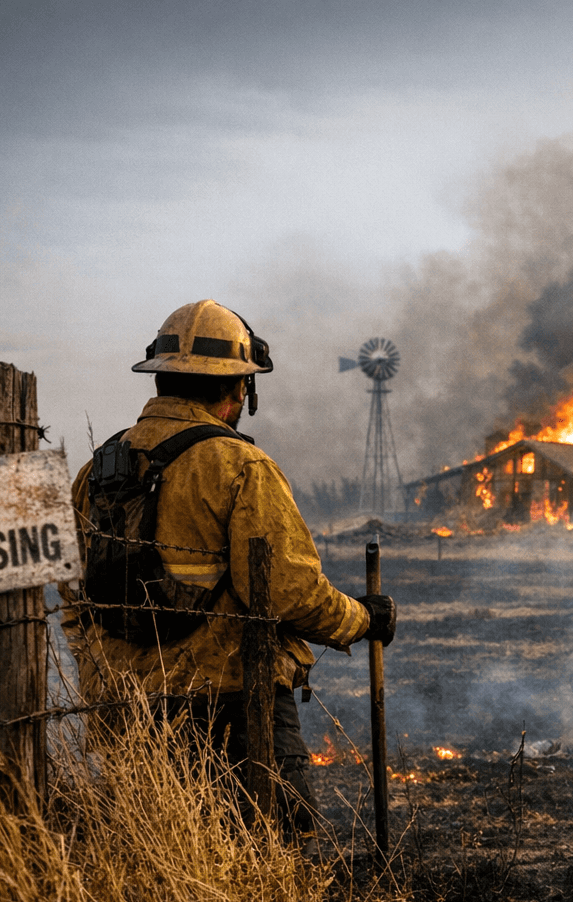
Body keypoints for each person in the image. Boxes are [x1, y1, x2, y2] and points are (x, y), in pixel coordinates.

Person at [63, 299, 396, 842]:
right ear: (239, 388)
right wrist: (363, 619)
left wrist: (104, 674)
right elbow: (290, 592)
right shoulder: (240, 466)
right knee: (267, 855)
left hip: (125, 710)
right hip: (232, 712)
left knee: (158, 859)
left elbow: (72, 598)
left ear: (161, 380)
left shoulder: (95, 472)